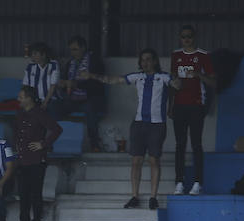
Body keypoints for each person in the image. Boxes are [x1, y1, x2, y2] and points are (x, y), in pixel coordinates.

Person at [85, 49, 178, 210]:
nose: (145, 63)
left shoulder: (164, 77)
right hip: (139, 123)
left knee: (154, 160)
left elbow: (176, 85)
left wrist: (178, 79)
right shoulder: (138, 76)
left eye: (148, 59)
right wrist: (92, 76)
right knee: (136, 161)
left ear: (155, 61)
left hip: (157, 124)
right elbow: (113, 80)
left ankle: (153, 197)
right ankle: (134, 196)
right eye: (143, 60)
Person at [169, 25, 216, 196]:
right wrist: (170, 106)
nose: (186, 39)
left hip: (196, 105)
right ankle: (179, 182)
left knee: (196, 144)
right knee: (180, 144)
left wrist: (198, 75)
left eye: (189, 36)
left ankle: (198, 182)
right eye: (183, 36)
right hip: (179, 105)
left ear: (194, 37)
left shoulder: (203, 56)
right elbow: (173, 80)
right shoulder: (176, 55)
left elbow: (213, 82)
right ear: (180, 38)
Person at [11, 86, 63, 221]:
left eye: (21, 97)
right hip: (22, 159)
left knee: (35, 194)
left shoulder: (40, 113)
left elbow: (57, 129)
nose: (18, 100)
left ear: (29, 98)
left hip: (36, 159)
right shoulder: (19, 114)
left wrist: (43, 144)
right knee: (23, 194)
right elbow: (15, 133)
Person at [50, 35, 104, 151]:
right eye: (71, 50)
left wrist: (75, 84)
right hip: (73, 100)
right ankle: (56, 142)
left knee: (91, 109)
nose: (72, 53)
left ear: (83, 47)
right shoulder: (70, 63)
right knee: (54, 107)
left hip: (90, 98)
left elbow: (97, 84)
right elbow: (66, 83)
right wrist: (63, 84)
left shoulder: (94, 62)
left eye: (75, 49)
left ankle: (94, 144)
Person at [22, 42, 60, 108]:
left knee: (52, 107)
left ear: (43, 55)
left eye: (35, 54)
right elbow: (25, 86)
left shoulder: (53, 64)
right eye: (31, 54)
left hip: (51, 99)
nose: (32, 56)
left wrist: (45, 102)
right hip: (34, 100)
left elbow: (53, 86)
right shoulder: (30, 66)